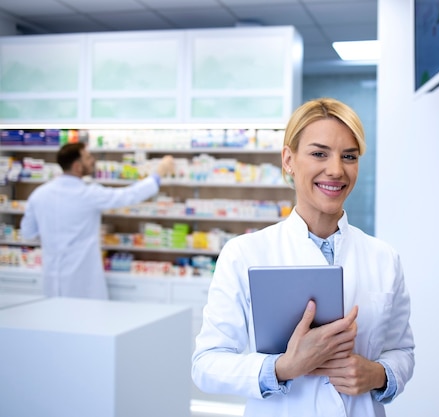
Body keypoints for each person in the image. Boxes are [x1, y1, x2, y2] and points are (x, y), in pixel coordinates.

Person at [191, 98, 415, 417]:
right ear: (288, 160)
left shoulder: (384, 258)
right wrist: (282, 367)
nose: (336, 170)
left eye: (349, 156)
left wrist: (378, 375)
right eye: (319, 153)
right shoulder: (244, 254)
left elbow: (401, 351)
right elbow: (206, 365)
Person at [20, 142, 175, 299]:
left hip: (52, 278)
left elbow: (28, 233)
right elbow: (129, 195)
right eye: (87, 157)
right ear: (77, 166)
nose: (92, 160)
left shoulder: (39, 194)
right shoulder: (88, 193)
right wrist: (158, 173)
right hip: (82, 280)